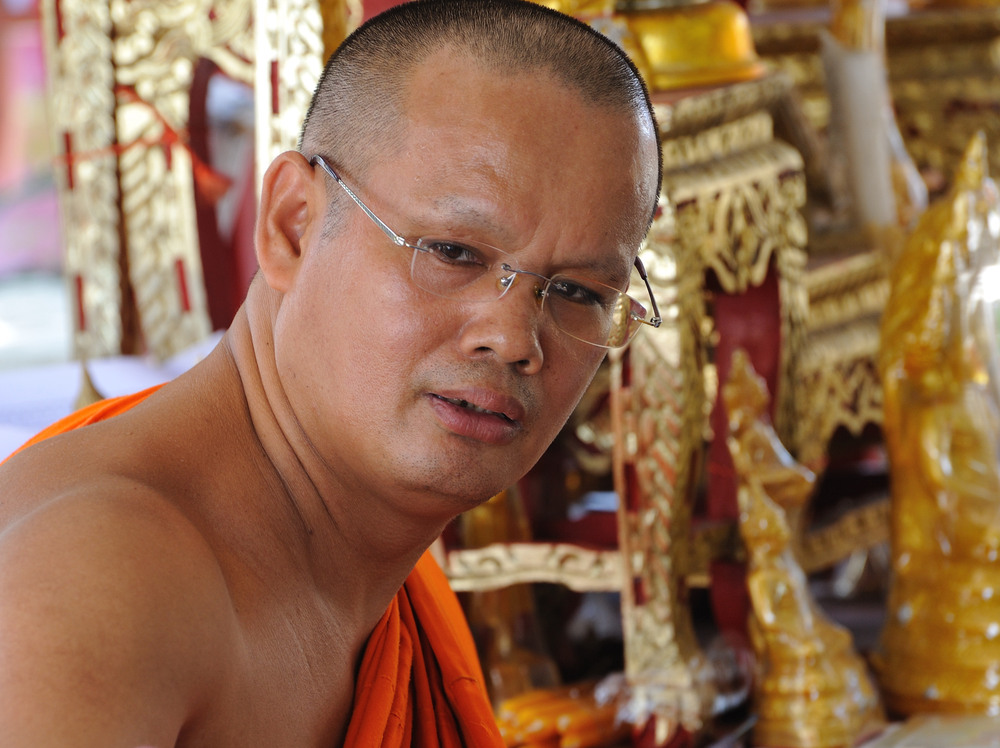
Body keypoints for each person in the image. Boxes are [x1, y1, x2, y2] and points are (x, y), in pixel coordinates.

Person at [0, 0, 662, 744]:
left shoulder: (367, 564)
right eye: (453, 252)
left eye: (576, 292)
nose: (515, 339)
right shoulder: (98, 589)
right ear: (293, 225)